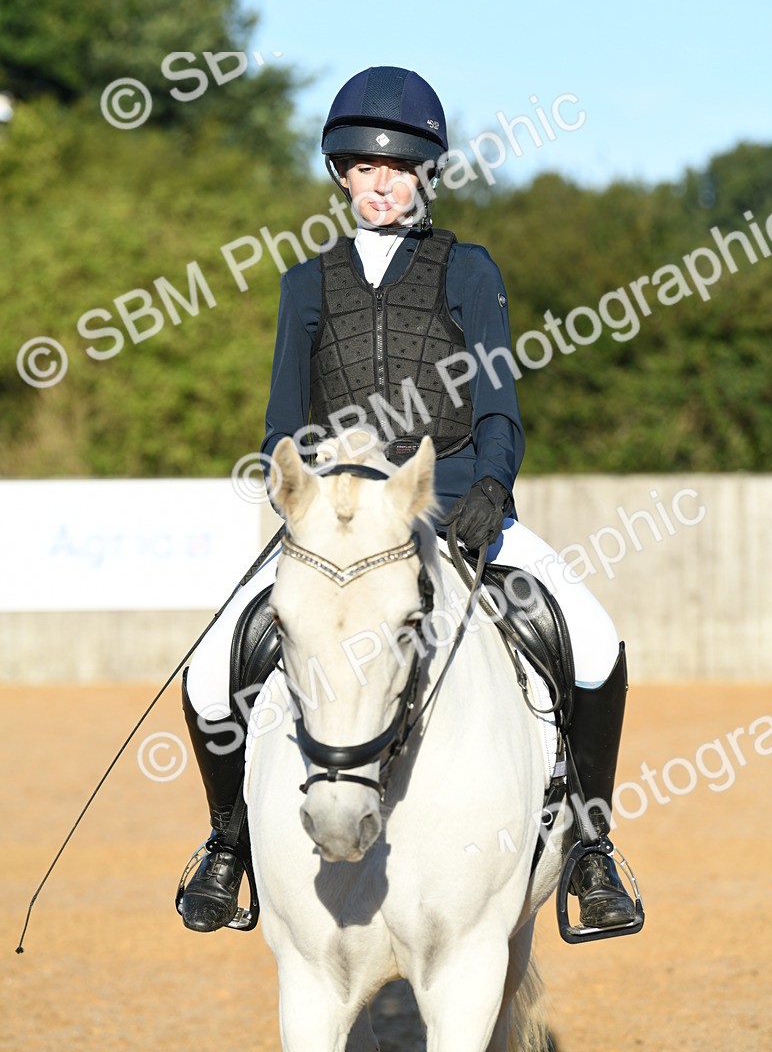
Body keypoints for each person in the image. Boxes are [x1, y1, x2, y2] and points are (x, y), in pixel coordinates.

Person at [180, 65, 637, 935]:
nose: (379, 182)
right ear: (341, 176)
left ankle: (590, 848)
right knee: (212, 671)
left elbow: (499, 406)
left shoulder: (469, 270)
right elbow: (286, 423)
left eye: (396, 167)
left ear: (426, 173)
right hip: (341, 524)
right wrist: (304, 506)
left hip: (461, 504)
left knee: (594, 641)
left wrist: (493, 487)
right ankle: (228, 843)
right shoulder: (304, 284)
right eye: (361, 167)